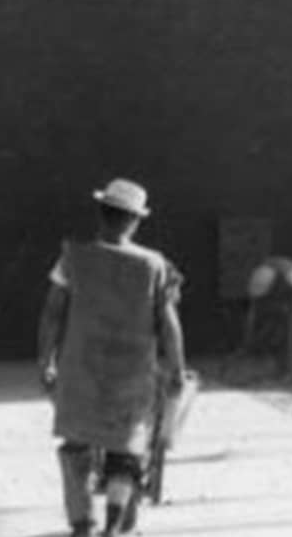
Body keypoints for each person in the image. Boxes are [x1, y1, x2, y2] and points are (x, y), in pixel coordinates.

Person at [37, 178, 188, 537]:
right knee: (127, 450)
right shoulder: (156, 266)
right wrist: (177, 370)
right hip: (133, 374)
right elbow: (169, 325)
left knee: (76, 444)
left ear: (100, 214)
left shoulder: (72, 257)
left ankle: (82, 526)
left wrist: (46, 361)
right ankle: (114, 526)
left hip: (80, 370)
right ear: (135, 221)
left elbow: (52, 312)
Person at [236, 254, 292, 382]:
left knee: (262, 322)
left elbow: (255, 300)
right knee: (288, 329)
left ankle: (254, 352)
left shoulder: (271, 267)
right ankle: (283, 368)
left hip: (267, 280)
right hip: (283, 283)